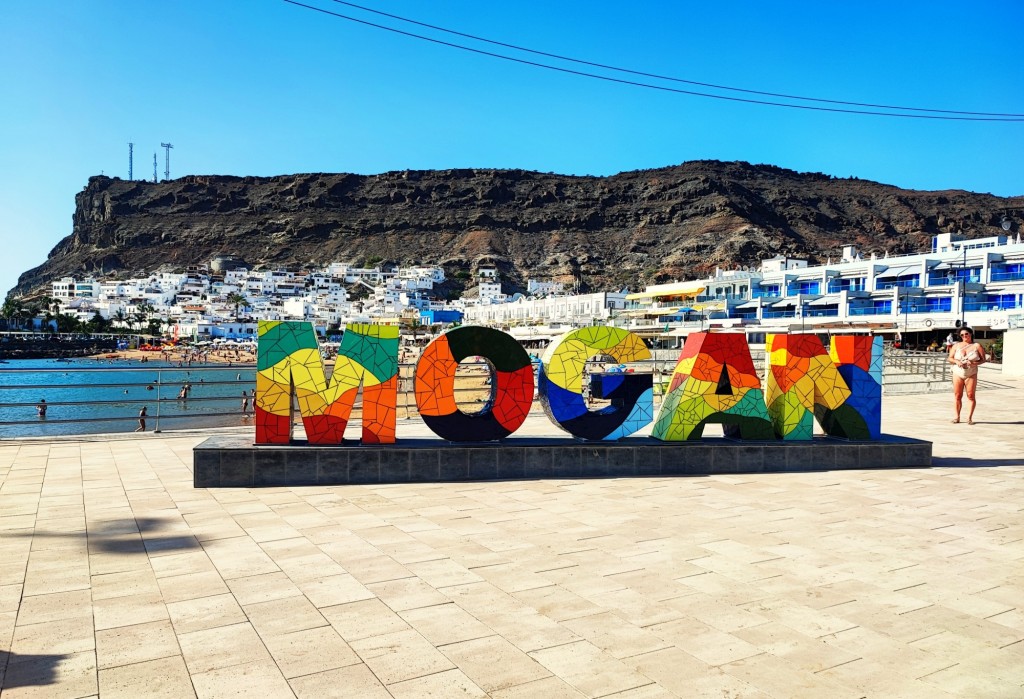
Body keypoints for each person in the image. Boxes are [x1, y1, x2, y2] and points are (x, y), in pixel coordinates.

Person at [948, 326, 985, 425]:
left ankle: (969, 418)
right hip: (958, 372)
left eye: (966, 334)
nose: (964, 336)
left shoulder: (977, 346)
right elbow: (950, 358)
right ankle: (957, 417)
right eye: (962, 335)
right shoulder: (956, 345)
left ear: (971, 334)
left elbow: (983, 359)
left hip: (971, 373)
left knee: (971, 395)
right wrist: (957, 361)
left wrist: (973, 363)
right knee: (957, 395)